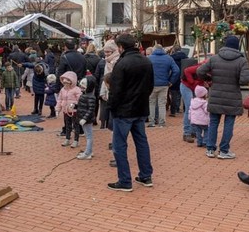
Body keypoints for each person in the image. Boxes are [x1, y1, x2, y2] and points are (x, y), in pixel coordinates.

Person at [107, 34, 154, 192]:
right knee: (141, 143)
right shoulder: (146, 61)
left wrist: (112, 108)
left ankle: (125, 180)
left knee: (120, 146)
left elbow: (115, 90)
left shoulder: (122, 63)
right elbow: (150, 86)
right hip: (140, 109)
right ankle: (146, 176)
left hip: (124, 111)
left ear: (121, 47)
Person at [197, 35, 249, 159]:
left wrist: (209, 79)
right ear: (237, 47)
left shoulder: (214, 58)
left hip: (216, 95)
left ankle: (210, 149)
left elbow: (200, 71)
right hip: (232, 97)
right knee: (229, 124)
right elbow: (244, 80)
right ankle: (224, 151)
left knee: (213, 122)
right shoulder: (242, 61)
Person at [147, 44, 179, 127]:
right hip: (164, 84)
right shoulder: (169, 58)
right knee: (162, 104)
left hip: (151, 84)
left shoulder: (149, 58)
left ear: (154, 50)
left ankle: (151, 122)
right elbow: (176, 71)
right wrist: (171, 81)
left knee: (151, 103)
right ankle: (162, 122)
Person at [180, 61, 208, 143]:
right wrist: (192, 82)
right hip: (186, 85)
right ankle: (187, 133)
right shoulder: (199, 68)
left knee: (196, 108)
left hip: (196, 88)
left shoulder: (211, 70)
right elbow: (187, 71)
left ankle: (193, 131)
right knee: (189, 107)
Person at [56, 71, 82, 148]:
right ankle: (67, 139)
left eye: (67, 83)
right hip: (65, 111)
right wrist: (58, 109)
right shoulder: (62, 90)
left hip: (74, 111)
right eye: (64, 83)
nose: (65, 85)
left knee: (76, 125)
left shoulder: (77, 89)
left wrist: (75, 105)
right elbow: (59, 99)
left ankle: (76, 140)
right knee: (67, 125)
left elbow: (80, 100)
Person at [75, 75, 97, 160]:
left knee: (89, 136)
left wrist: (84, 118)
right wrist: (75, 106)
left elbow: (91, 109)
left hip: (86, 119)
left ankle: (87, 153)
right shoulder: (84, 95)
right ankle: (89, 151)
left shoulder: (91, 97)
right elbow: (82, 106)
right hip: (83, 118)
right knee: (88, 135)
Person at [169, 45, 188, 117]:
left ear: (174, 50)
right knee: (184, 95)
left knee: (174, 96)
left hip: (174, 79)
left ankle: (174, 111)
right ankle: (185, 109)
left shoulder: (171, 58)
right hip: (184, 79)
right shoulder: (186, 58)